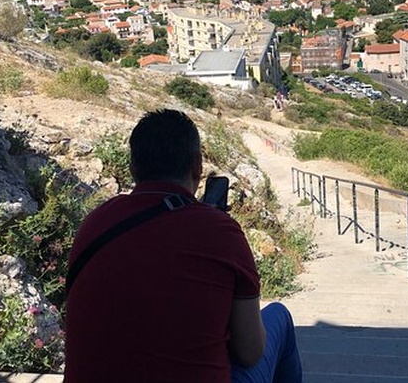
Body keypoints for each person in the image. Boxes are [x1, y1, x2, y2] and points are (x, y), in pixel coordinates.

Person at [65, 109, 302, 383]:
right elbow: (250, 352)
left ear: (133, 167)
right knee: (279, 317)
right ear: (198, 166)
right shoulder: (220, 232)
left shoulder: (94, 223)